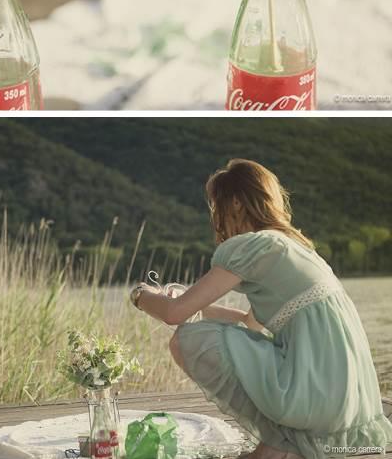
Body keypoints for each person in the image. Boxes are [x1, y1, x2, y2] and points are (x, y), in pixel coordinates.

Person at [131, 159, 392, 459]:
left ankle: (280, 441)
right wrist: (193, 303)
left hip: (314, 391)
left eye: (218, 206)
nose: (216, 216)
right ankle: (285, 443)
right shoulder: (294, 247)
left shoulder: (253, 246)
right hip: (344, 395)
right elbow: (248, 323)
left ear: (238, 203)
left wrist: (141, 294)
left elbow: (173, 314)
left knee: (187, 340)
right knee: (213, 333)